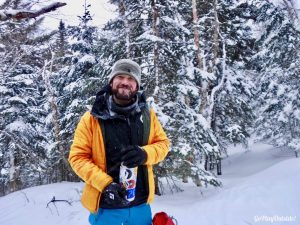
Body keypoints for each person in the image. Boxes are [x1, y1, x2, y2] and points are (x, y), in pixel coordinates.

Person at [69, 59, 170, 225]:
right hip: (106, 206)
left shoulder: (147, 115)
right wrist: (106, 184)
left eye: (131, 79)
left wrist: (145, 154)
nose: (125, 82)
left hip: (140, 206)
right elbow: (77, 158)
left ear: (137, 86)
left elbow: (163, 144)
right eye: (120, 77)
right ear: (111, 81)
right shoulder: (92, 118)